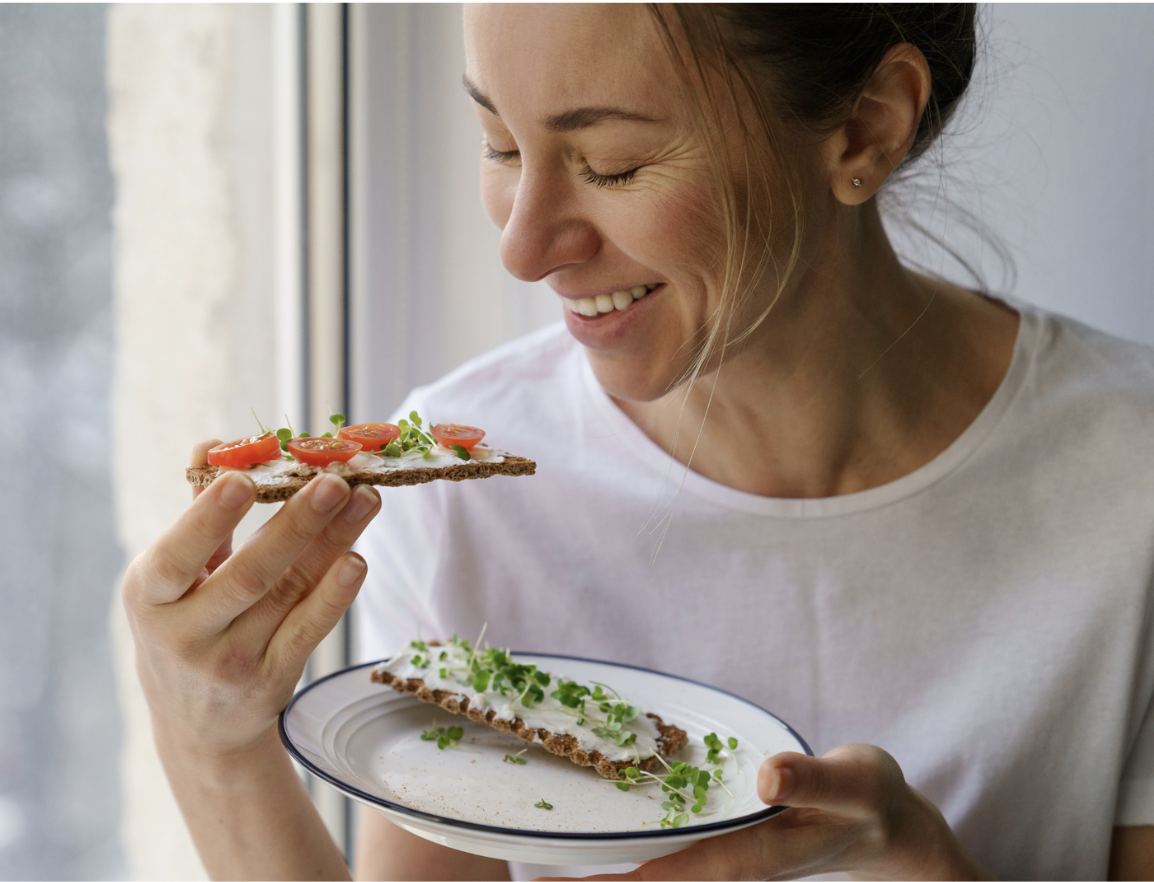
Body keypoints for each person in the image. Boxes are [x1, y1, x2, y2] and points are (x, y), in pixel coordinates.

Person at [121, 5, 1154, 879]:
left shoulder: (1129, 483)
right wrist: (212, 746)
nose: (522, 249)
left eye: (611, 165)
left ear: (863, 128)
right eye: (500, 146)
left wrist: (923, 863)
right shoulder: (466, 505)